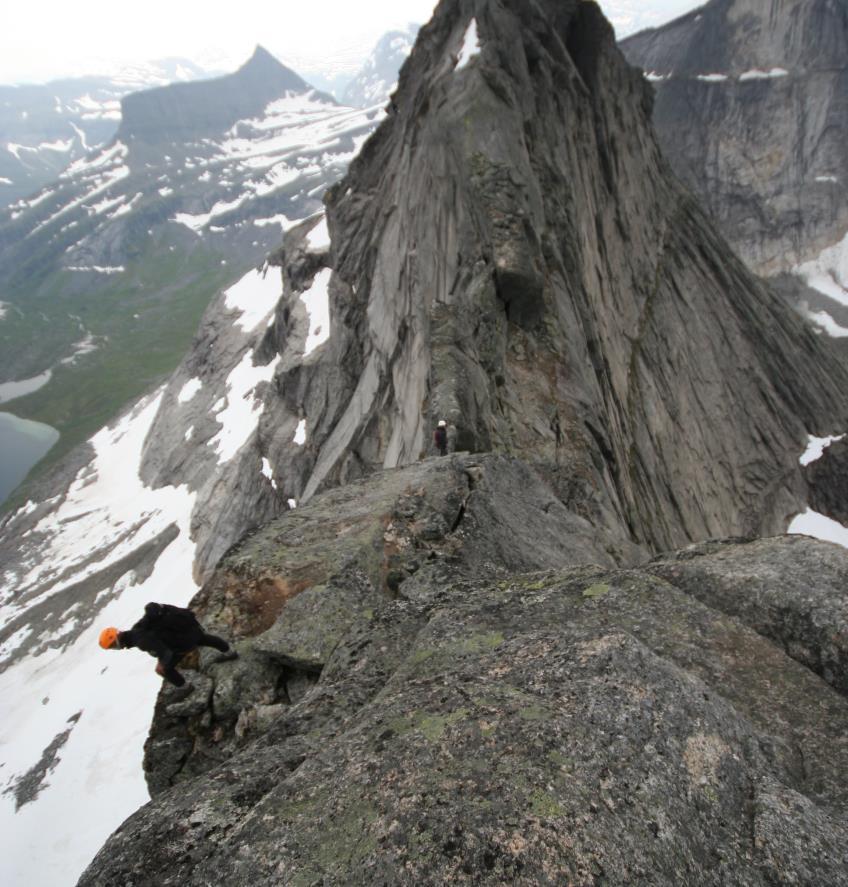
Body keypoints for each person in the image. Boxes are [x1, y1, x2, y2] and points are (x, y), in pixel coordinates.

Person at [99, 602, 231, 687]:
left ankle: (186, 687)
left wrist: (161, 663)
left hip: (184, 643)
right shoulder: (137, 629)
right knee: (203, 639)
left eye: (113, 646)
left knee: (163, 670)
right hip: (191, 630)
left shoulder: (140, 641)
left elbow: (165, 652)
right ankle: (229, 652)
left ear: (116, 641)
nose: (116, 648)